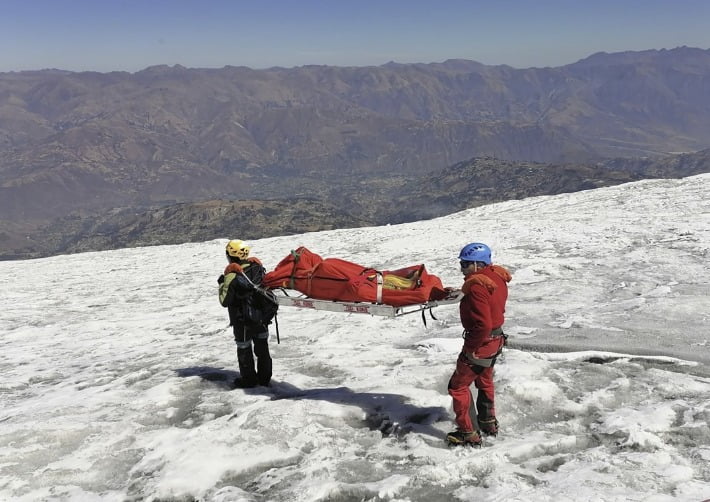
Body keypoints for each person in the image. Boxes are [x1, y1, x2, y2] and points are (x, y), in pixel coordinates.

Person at [446, 242, 512, 446]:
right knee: (484, 380)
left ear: (476, 264)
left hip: (482, 343)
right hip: (496, 340)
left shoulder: (477, 286)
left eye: (465, 264)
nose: (462, 269)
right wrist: (462, 291)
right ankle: (488, 421)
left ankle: (468, 432)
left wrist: (471, 349)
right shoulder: (496, 276)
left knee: (458, 386)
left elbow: (482, 324)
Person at [218, 239, 273, 388]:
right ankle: (265, 379)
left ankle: (249, 381)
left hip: (242, 320)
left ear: (231, 255)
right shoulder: (258, 268)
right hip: (261, 318)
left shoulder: (232, 275)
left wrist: (222, 283)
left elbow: (224, 300)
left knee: (244, 349)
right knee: (262, 348)